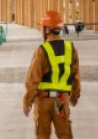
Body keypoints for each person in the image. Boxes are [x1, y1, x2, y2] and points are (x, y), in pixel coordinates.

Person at [23, 10, 81, 139]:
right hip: (62, 100)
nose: (41, 30)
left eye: (43, 27)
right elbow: (75, 76)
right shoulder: (71, 48)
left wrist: (27, 101)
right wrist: (74, 95)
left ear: (48, 29)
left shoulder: (42, 51)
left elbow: (33, 79)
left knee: (42, 135)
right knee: (65, 135)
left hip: (43, 101)